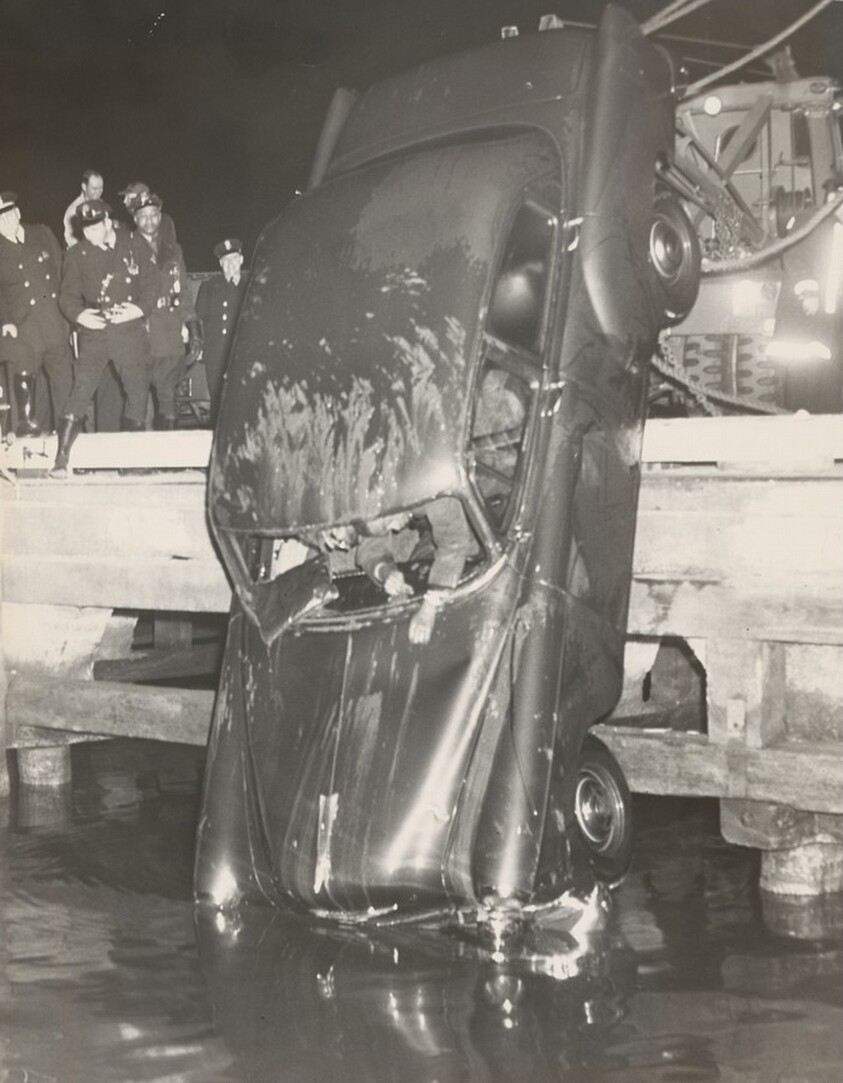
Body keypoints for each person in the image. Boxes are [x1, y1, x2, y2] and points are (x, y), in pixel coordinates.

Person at [51, 199, 157, 477]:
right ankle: (61, 458)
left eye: (95, 228)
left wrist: (137, 309)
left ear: (108, 222)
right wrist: (79, 315)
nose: (89, 235)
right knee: (81, 389)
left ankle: (131, 461)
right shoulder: (76, 254)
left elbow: (152, 284)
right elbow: (67, 297)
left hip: (128, 330)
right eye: (86, 230)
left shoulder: (133, 244)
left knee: (136, 392)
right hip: (95, 331)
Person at [354, 496, 477, 644]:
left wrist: (429, 608)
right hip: (429, 528)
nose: (395, 529)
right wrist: (386, 573)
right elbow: (370, 549)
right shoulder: (374, 497)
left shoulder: (434, 491)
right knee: (419, 574)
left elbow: (453, 544)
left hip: (463, 518)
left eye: (389, 522)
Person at [0, 190, 73, 434]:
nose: (6, 221)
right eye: (0, 218)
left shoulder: (41, 234)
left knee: (64, 389)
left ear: (18, 213)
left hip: (54, 324)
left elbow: (63, 274)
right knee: (31, 399)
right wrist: (6, 321)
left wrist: (69, 316)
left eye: (9, 214)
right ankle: (32, 457)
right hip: (25, 332)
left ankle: (69, 446)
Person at [132, 192, 201, 428]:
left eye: (153, 215)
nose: (149, 221)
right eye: (143, 216)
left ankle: (167, 457)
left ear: (160, 216)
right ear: (135, 218)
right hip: (142, 333)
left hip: (169, 333)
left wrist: (193, 327)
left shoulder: (173, 250)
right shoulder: (126, 249)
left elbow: (183, 293)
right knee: (138, 401)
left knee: (168, 397)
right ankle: (139, 461)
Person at [195, 238, 248, 421]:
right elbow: (199, 318)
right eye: (226, 261)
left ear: (241, 260)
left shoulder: (251, 285)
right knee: (217, 401)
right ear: (220, 264)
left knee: (243, 399)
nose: (231, 265)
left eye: (234, 259)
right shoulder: (209, 287)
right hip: (216, 354)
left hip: (243, 353)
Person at [62, 169, 104, 247]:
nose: (99, 192)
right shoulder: (73, 211)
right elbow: (74, 243)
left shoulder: (100, 203)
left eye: (101, 188)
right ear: (84, 187)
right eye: (95, 188)